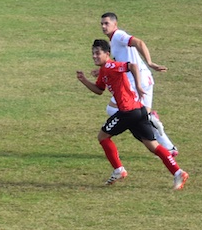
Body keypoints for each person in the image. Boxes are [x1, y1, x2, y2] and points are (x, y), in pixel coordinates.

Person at [77, 39, 188, 190]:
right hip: (139, 110)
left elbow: (132, 65)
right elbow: (99, 90)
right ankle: (178, 172)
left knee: (102, 137)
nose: (94, 56)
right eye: (93, 54)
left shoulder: (111, 66)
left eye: (98, 53)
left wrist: (138, 85)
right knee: (153, 145)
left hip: (128, 112)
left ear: (107, 54)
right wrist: (84, 80)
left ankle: (118, 170)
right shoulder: (104, 70)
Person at [99, 12, 178, 156]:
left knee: (113, 109)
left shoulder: (118, 35)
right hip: (146, 79)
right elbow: (119, 63)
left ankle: (150, 120)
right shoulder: (113, 42)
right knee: (143, 118)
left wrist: (150, 62)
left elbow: (139, 42)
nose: (104, 27)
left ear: (115, 24)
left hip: (136, 82)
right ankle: (170, 148)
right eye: (102, 24)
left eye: (107, 23)